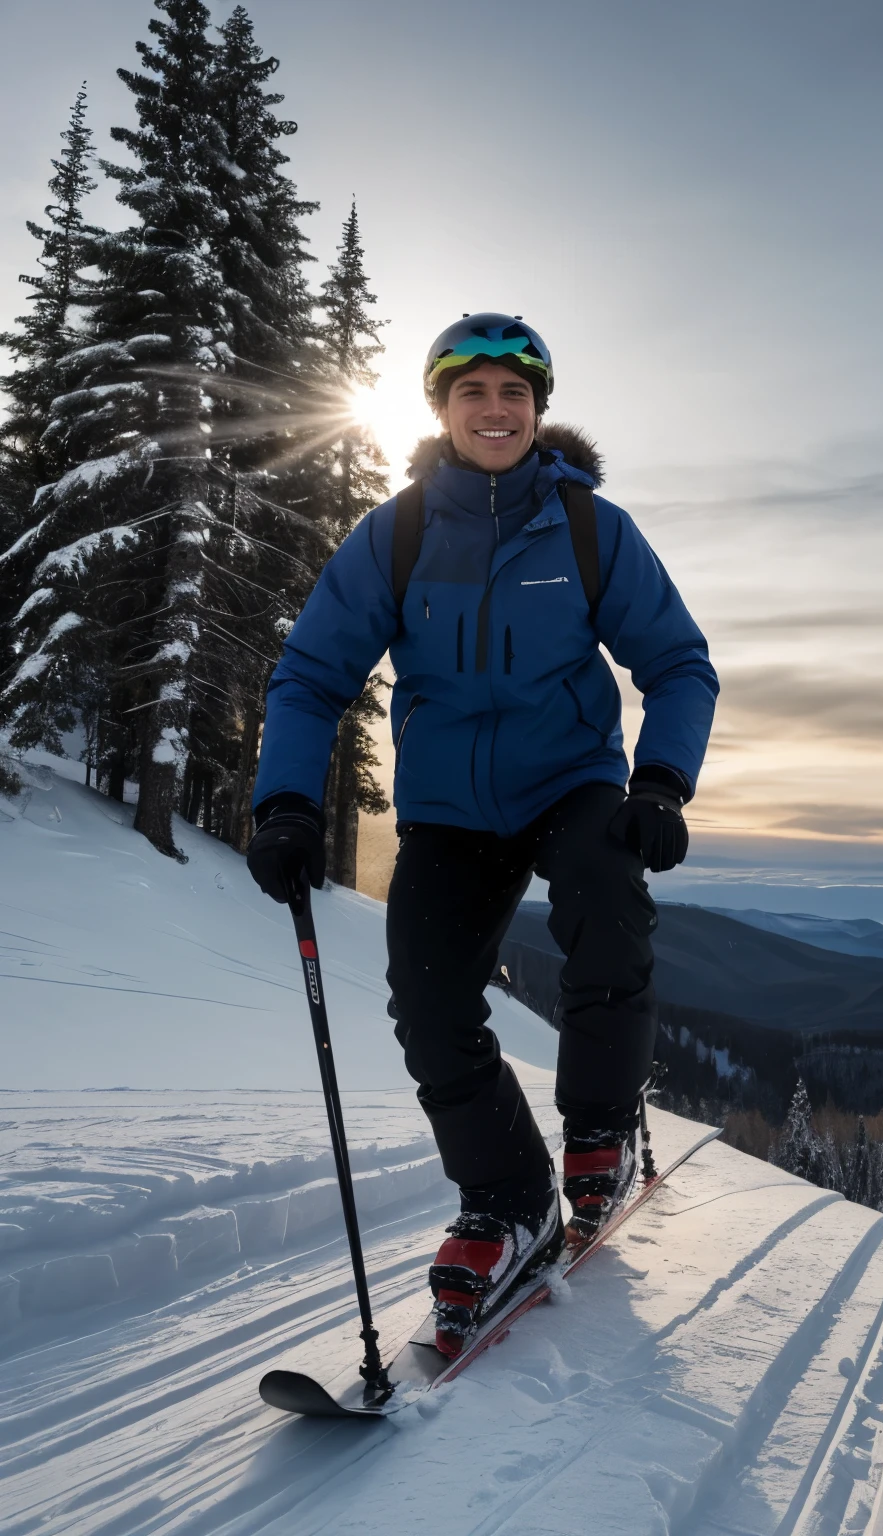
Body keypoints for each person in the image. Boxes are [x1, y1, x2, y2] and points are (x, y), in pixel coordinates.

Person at [246, 314, 718, 1355]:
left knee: (605, 899)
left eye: (513, 394)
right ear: (443, 411)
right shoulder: (399, 534)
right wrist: (283, 802)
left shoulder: (590, 530)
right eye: (472, 394)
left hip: (572, 782)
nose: (494, 411)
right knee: (424, 995)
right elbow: (312, 674)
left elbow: (677, 663)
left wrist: (661, 783)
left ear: (536, 411)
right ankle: (508, 1196)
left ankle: (598, 1130)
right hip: (451, 806)